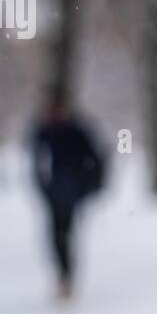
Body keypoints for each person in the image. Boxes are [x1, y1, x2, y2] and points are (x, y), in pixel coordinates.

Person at [30, 100, 106, 299]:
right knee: (56, 236)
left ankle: (67, 277)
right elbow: (36, 163)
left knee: (65, 234)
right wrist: (43, 188)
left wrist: (89, 186)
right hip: (54, 194)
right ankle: (63, 277)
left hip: (72, 193)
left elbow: (96, 158)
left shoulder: (77, 132)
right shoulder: (43, 132)